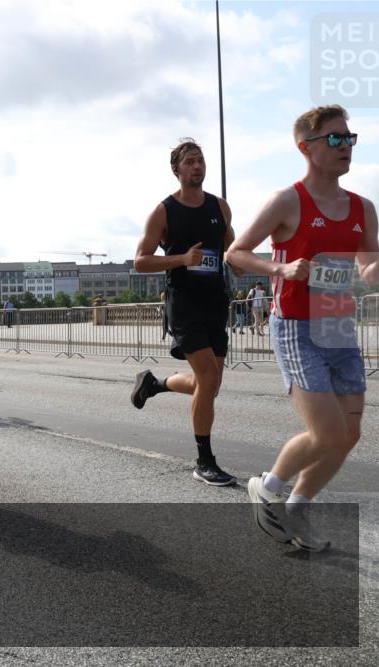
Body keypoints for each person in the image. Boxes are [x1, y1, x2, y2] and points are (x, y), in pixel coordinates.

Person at [226, 104, 378, 551]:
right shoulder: (288, 201)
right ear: (306, 147)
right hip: (296, 327)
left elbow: (368, 269)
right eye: (335, 138)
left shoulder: (363, 208)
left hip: (339, 329)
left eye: (350, 138)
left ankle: (297, 508)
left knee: (348, 436)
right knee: (328, 432)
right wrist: (281, 268)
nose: (345, 146)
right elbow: (236, 253)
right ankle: (267, 489)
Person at [130, 138, 238, 486]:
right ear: (176, 169)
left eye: (201, 160)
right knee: (207, 380)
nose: (197, 166)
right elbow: (140, 261)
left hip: (215, 301)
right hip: (184, 302)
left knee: (210, 385)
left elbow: (231, 248)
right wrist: (181, 259)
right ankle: (205, 461)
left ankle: (153, 384)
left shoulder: (220, 208)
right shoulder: (164, 211)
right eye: (190, 161)